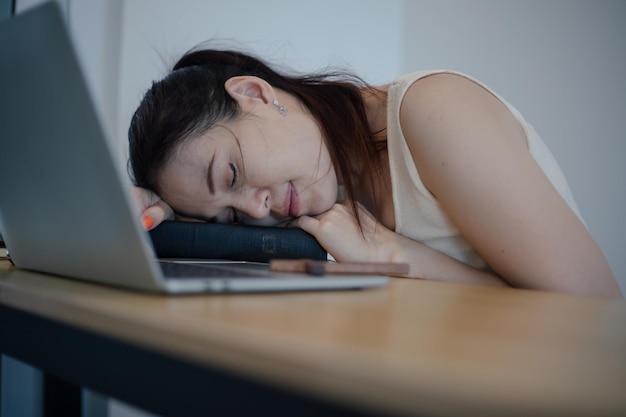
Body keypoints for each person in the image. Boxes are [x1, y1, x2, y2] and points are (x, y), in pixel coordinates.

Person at [128, 47, 622, 298]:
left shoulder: (434, 114)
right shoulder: (319, 191)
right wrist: (155, 214)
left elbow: (591, 311)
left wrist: (395, 254)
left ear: (256, 95)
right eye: (229, 217)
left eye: (232, 174)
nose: (258, 209)